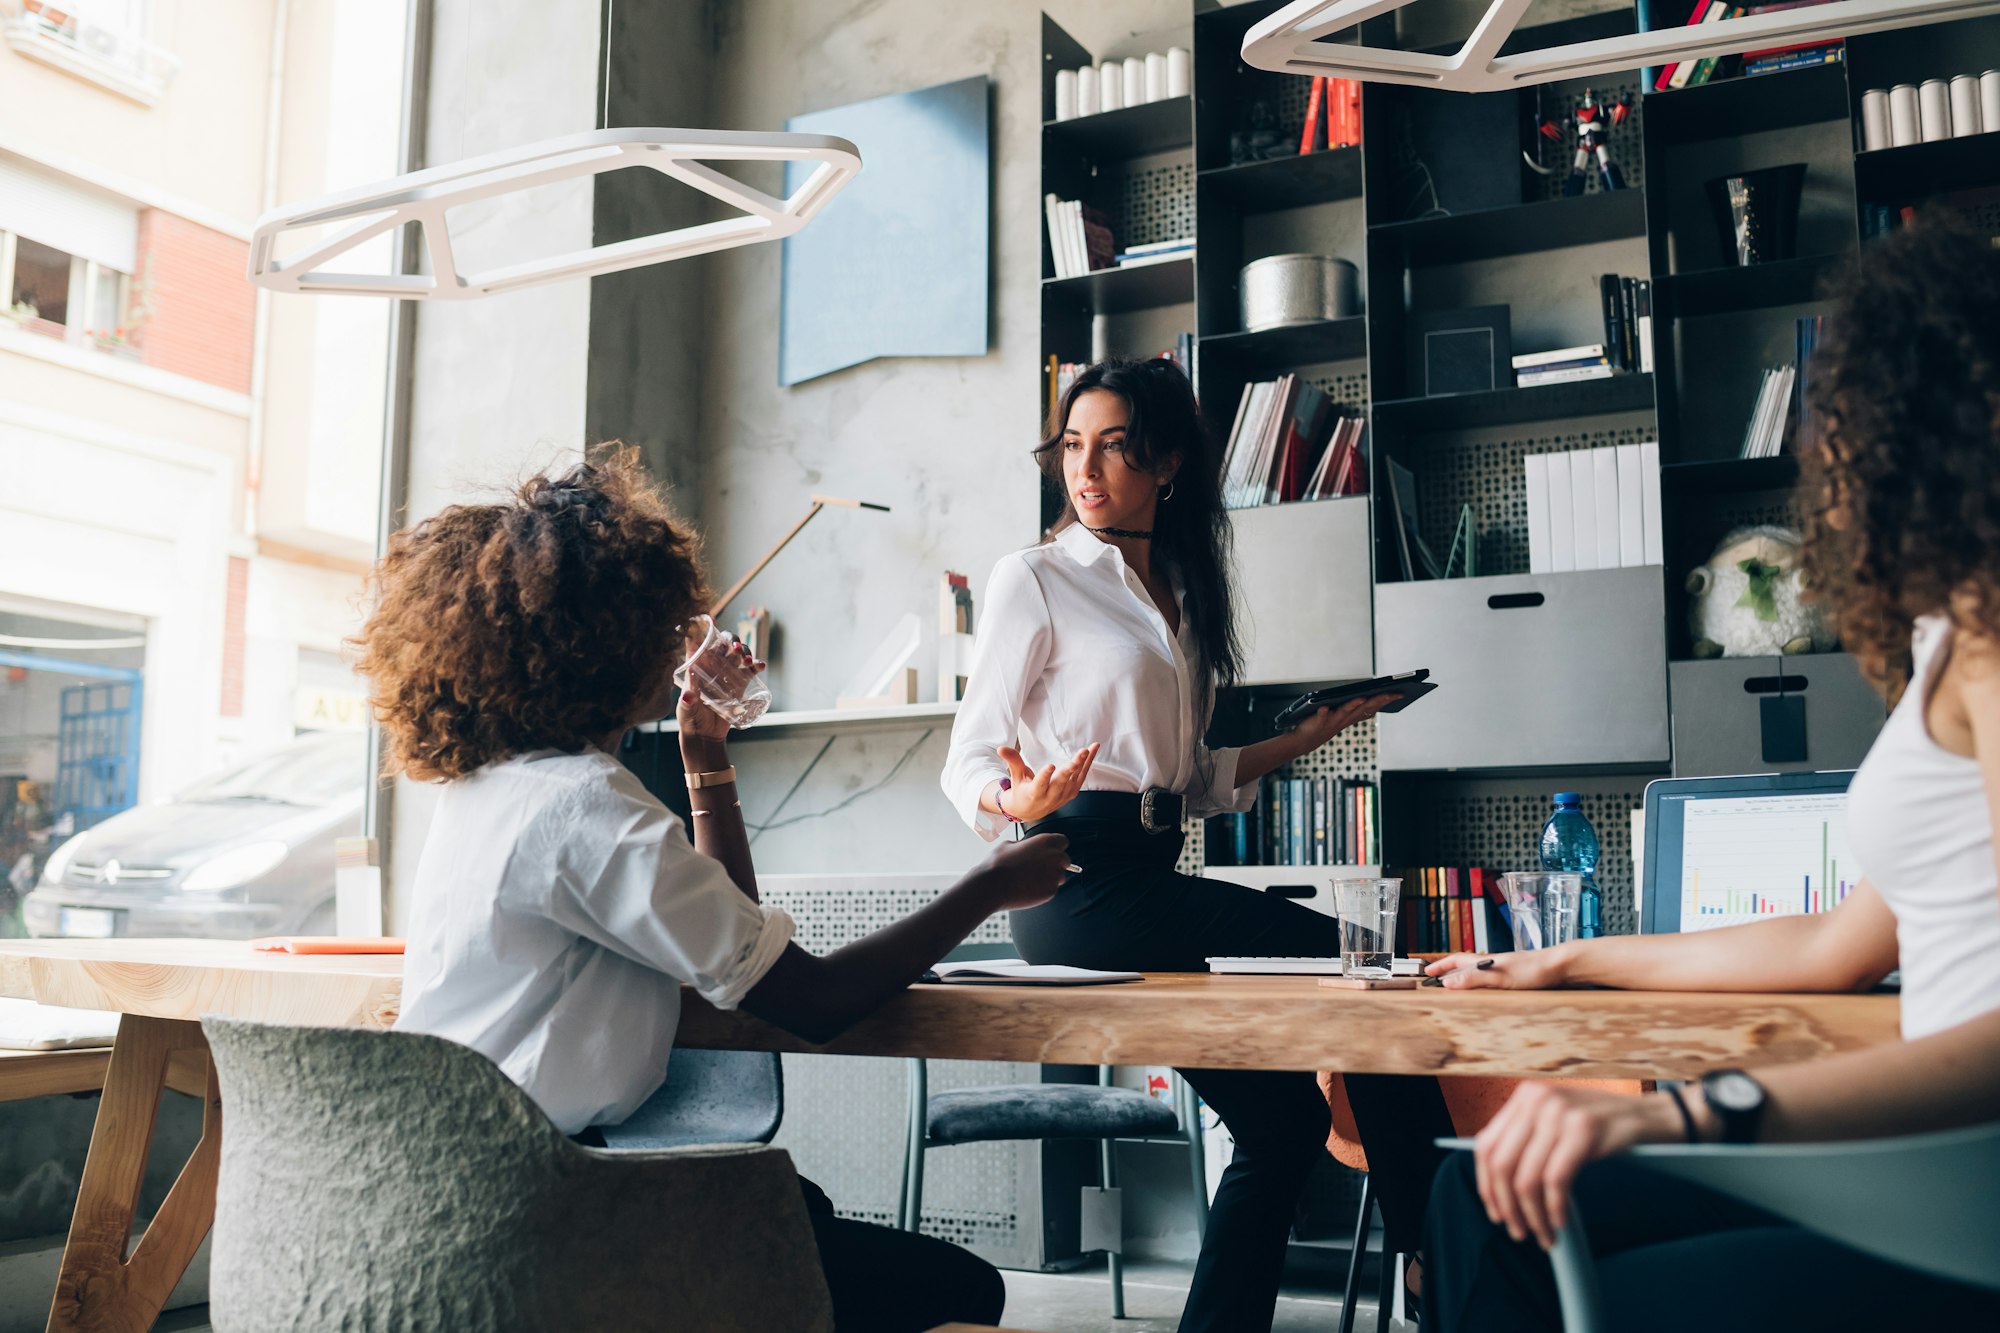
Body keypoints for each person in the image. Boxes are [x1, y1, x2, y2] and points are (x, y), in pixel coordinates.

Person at [1419, 217, 2000, 1331]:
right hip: (1932, 1170)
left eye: (1837, 417)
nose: (1816, 462)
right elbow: (1833, 945)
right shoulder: (1947, 633)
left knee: (1551, 1246)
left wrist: (1683, 1112)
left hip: (1964, 1208)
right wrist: (1567, 959)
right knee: (1478, 1191)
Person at [359, 447, 1073, 1333]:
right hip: (546, 1216)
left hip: (455, 1196)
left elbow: (730, 949)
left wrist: (706, 757)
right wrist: (990, 885)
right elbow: (814, 1001)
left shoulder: (492, 789)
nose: (680, 646)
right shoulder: (590, 810)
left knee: (804, 1212)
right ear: (607, 645)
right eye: (667, 629)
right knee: (962, 1290)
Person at [941, 356, 1455, 1331]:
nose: (1084, 470)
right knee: (1364, 972)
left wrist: (1313, 732)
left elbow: (1190, 782)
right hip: (1069, 882)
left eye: (1113, 447)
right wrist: (1016, 796)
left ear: (1167, 462)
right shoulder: (1035, 578)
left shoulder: (1180, 591)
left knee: (1283, 1121)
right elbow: (963, 756)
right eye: (1071, 446)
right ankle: (1433, 1260)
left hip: (1148, 876)